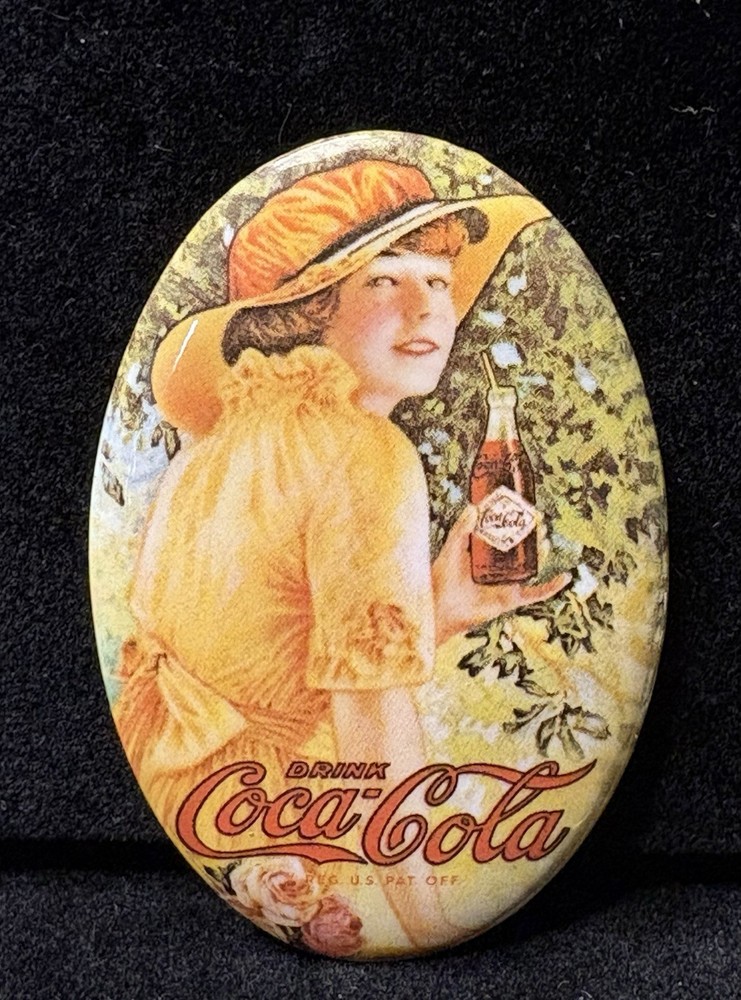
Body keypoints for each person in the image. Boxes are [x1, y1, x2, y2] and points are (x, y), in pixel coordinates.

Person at [114, 158, 570, 951]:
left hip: (200, 802)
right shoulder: (366, 451)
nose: (427, 309)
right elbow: (372, 718)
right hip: (280, 822)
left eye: (437, 280)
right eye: (383, 280)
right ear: (306, 313)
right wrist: (429, 924)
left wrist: (435, 612)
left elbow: (262, 656)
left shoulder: (219, 440)